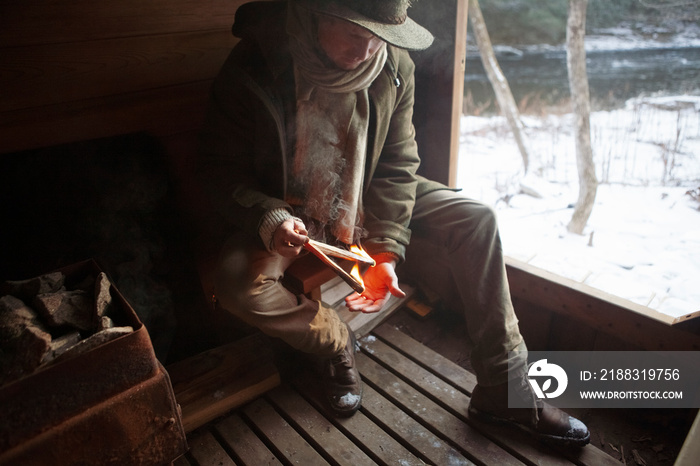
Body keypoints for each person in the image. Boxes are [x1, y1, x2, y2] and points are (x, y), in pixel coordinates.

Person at [198, 0, 590, 447]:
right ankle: (332, 342)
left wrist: (385, 250)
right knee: (235, 283)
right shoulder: (256, 64)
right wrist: (269, 216)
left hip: (362, 188)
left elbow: (397, 165)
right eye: (355, 35)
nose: (367, 51)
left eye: (378, 38)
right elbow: (217, 170)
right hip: (289, 209)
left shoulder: (393, 64)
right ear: (318, 15)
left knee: (476, 220)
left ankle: (505, 388)